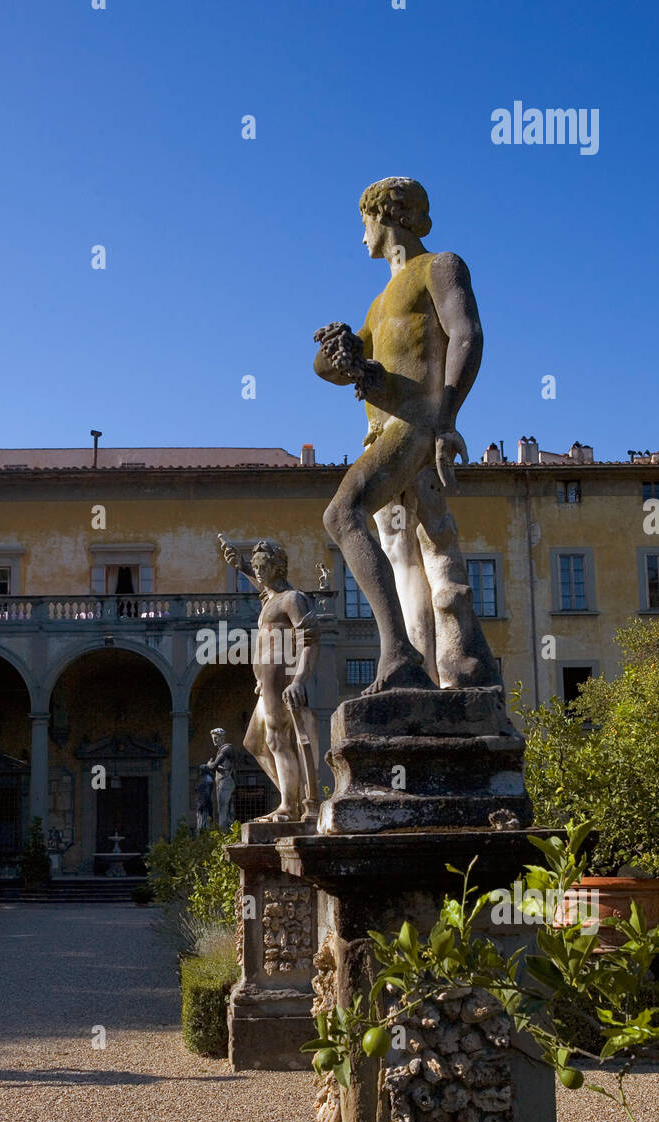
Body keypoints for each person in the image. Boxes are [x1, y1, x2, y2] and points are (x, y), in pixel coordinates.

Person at [313, 176, 499, 694]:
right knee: (422, 557)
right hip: (383, 434)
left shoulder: (439, 267)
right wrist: (339, 352)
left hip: (416, 422)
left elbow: (467, 334)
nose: (362, 236)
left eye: (364, 222)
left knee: (340, 513)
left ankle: (396, 653)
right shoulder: (376, 305)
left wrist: (446, 419)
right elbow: (328, 369)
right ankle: (460, 667)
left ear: (387, 214)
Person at [219, 536, 319, 822]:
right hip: (265, 679)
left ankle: (290, 806)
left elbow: (310, 640)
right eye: (256, 566)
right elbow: (264, 588)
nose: (259, 571)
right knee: (254, 742)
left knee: (277, 739)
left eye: (263, 566)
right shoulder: (271, 599)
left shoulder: (293, 599)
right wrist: (242, 568)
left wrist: (299, 679)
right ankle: (296, 799)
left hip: (280, 672)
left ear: (278, 568)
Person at [205, 730, 236, 829]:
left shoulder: (226, 749)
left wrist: (210, 763)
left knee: (223, 810)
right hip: (223, 781)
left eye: (216, 738)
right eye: (213, 738)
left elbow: (213, 765)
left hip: (225, 782)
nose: (214, 741)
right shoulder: (223, 750)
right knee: (224, 810)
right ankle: (228, 832)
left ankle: (224, 835)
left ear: (222, 738)